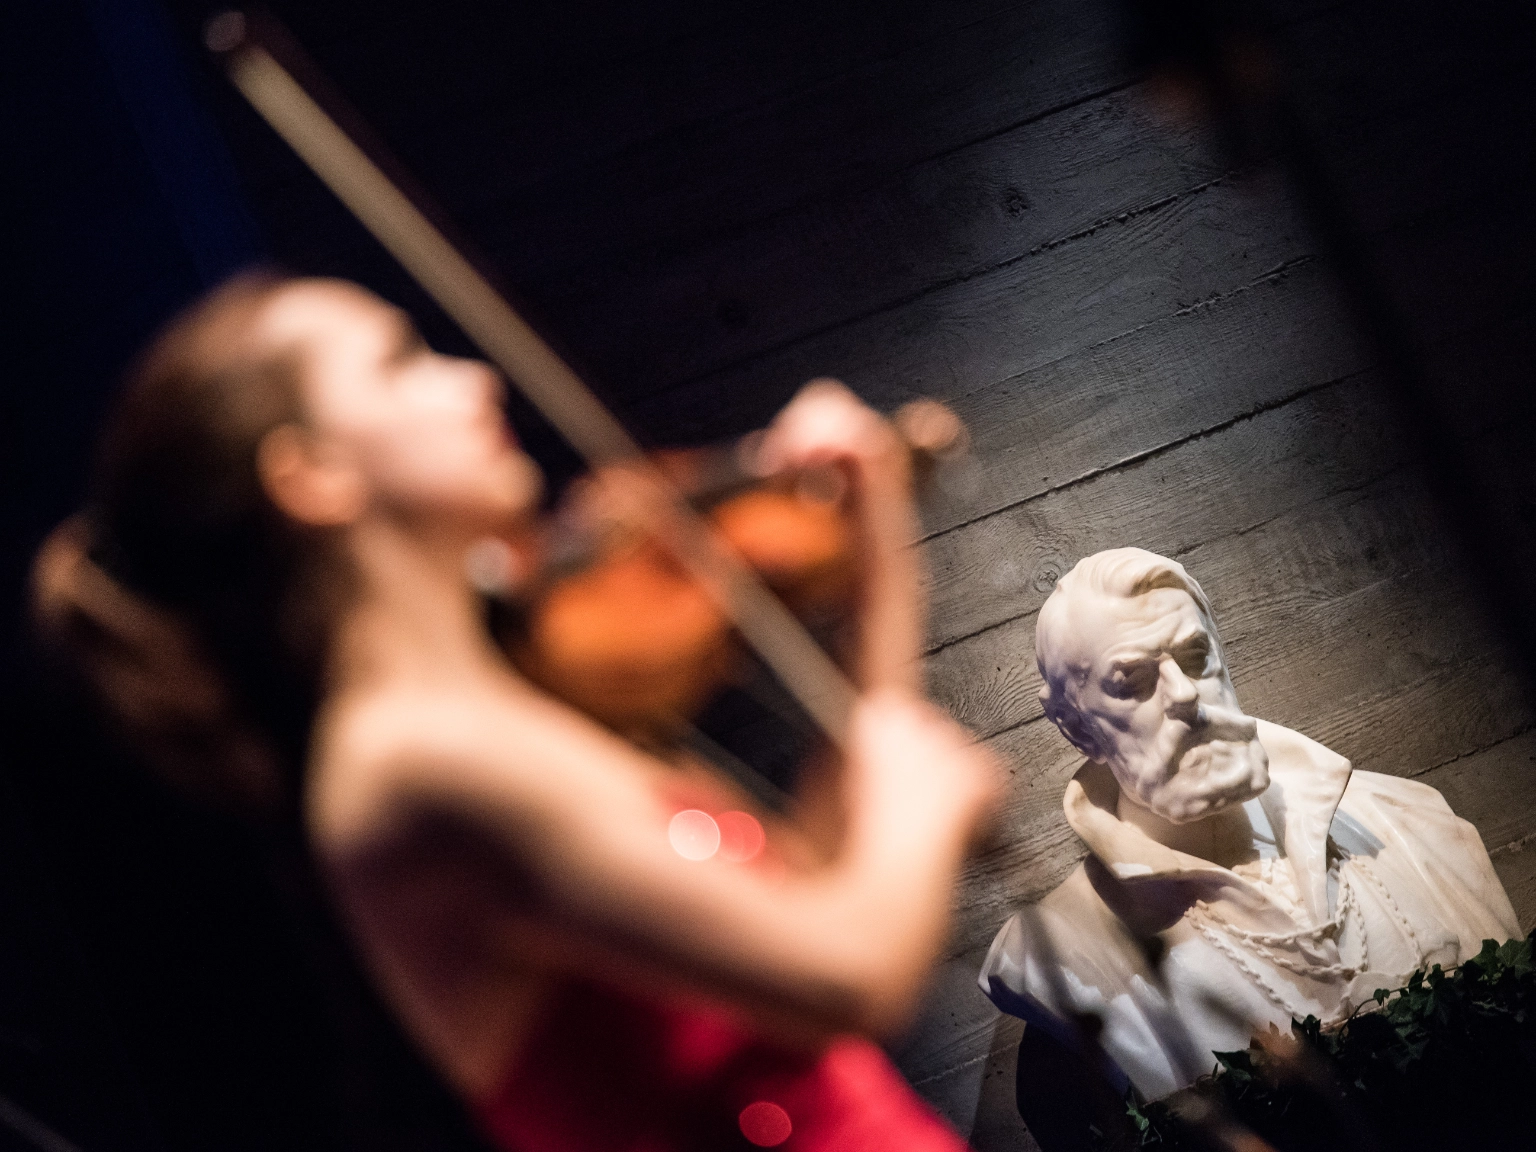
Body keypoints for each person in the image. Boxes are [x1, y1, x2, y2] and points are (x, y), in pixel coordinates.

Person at [33, 272, 999, 1151]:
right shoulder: (409, 764)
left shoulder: (492, 713)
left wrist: (875, 550)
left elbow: (816, 894)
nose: (472, 381)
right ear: (311, 477)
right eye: (402, 362)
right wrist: (923, 805)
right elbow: (850, 974)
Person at [979, 547, 1519, 1104]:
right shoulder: (1056, 957)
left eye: (1194, 656)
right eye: (1133, 679)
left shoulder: (1414, 821)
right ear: (1078, 729)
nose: (1185, 695)